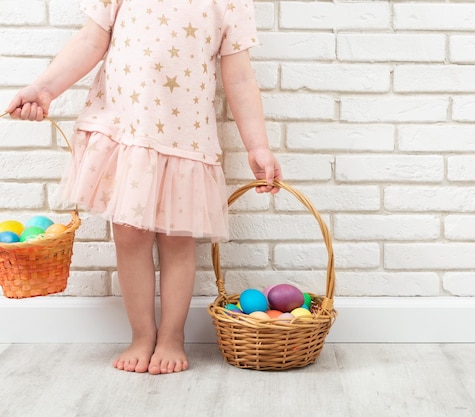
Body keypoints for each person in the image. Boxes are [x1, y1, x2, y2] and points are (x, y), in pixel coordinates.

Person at [4, 0, 282, 375]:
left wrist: (258, 145)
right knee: (129, 236)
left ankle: (171, 335)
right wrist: (44, 88)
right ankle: (141, 335)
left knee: (177, 241)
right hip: (127, 130)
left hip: (184, 141)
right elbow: (91, 40)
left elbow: (240, 77)